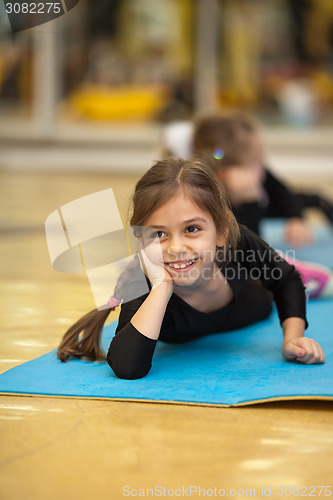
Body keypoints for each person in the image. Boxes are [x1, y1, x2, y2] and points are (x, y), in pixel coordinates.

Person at [57, 158, 325, 379]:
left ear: (221, 232)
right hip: (225, 291)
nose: (176, 247)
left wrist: (293, 338)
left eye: (192, 229)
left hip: (257, 296)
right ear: (141, 242)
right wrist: (162, 287)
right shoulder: (141, 284)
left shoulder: (237, 242)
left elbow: (286, 280)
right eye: (158, 234)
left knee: (282, 269)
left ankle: (300, 269)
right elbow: (128, 367)